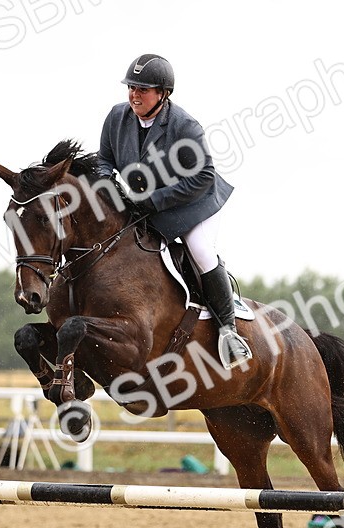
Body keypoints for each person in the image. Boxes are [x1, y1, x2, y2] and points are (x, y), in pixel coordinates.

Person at [97, 53, 252, 370]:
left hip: (194, 203)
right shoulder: (116, 117)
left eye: (143, 89)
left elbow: (204, 176)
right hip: (147, 203)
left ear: (163, 93)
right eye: (131, 88)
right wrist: (106, 186)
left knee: (200, 249)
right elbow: (104, 160)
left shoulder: (184, 126)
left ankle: (229, 332)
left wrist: (154, 201)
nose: (134, 95)